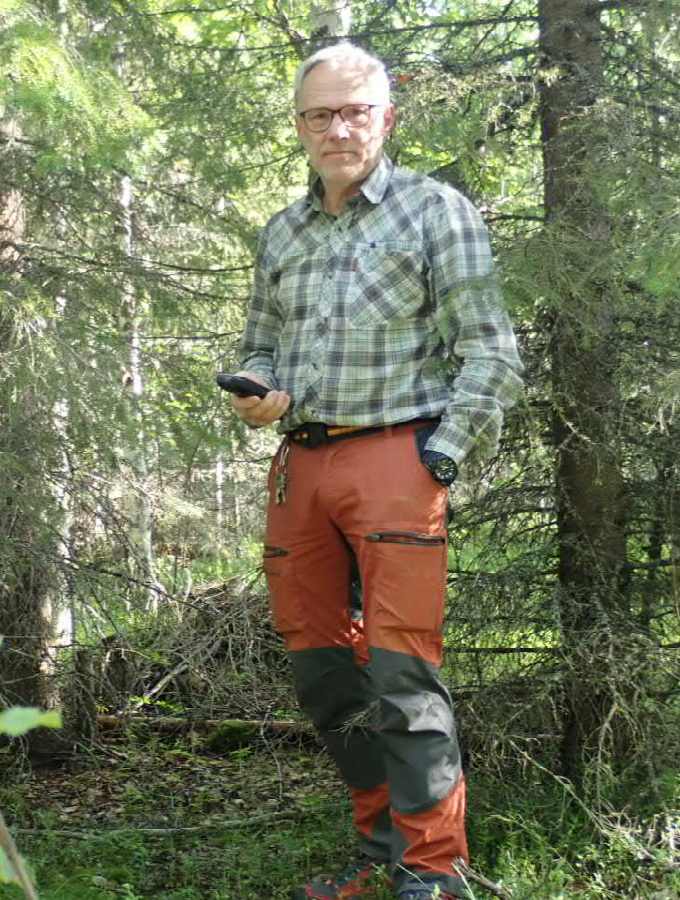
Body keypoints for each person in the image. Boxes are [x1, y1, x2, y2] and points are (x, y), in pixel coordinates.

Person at [229, 43, 522, 900]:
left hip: (400, 456)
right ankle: (378, 851)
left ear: (387, 117)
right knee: (323, 676)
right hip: (300, 468)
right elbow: (260, 342)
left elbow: (493, 354)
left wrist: (444, 452)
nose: (338, 128)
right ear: (299, 127)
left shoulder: (436, 211)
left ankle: (433, 871)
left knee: (403, 674)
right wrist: (258, 390)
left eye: (355, 110)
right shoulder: (281, 231)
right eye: (320, 114)